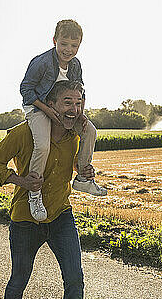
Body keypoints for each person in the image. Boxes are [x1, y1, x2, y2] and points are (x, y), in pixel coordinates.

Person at [0, 80, 90, 299]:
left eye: (78, 103)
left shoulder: (75, 135)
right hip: (25, 218)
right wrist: (21, 181)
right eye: (68, 102)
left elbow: (74, 165)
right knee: (19, 280)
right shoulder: (24, 133)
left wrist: (84, 170)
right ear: (51, 105)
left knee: (75, 281)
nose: (74, 109)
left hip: (60, 215)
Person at [20, 19, 106, 222]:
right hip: (39, 107)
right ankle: (34, 192)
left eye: (74, 45)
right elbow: (26, 90)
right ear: (54, 41)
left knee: (90, 130)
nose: (68, 50)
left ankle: (83, 179)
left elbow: (81, 90)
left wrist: (81, 113)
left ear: (79, 45)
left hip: (65, 107)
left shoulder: (75, 64)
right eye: (64, 44)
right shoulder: (41, 62)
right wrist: (47, 111)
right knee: (42, 147)